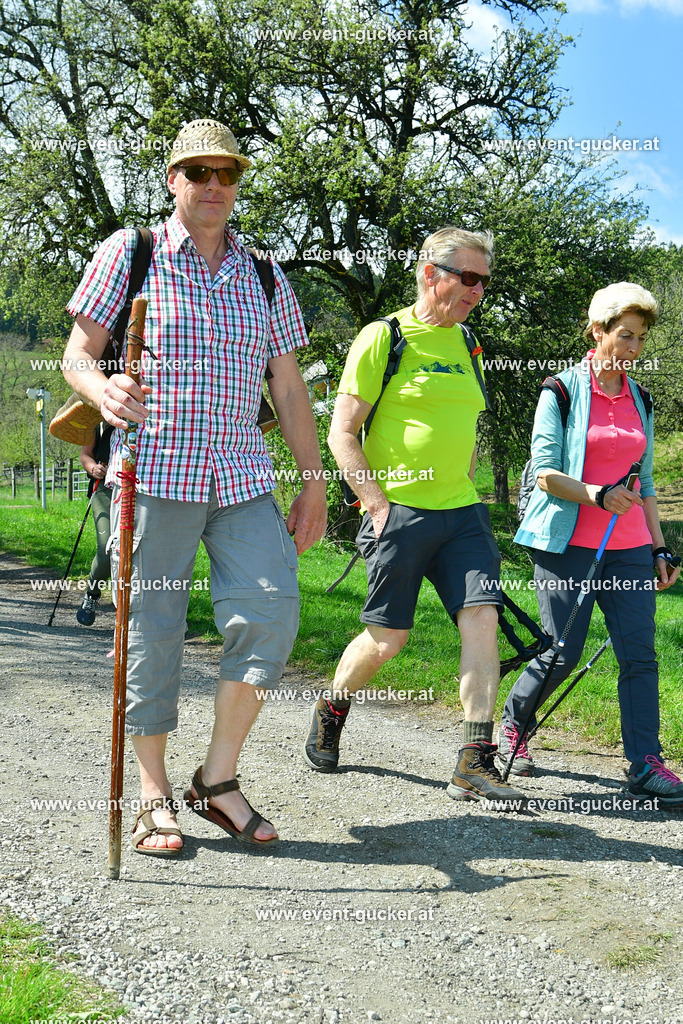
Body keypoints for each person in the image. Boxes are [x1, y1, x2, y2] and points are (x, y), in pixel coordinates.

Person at [62, 119, 327, 856]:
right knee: (152, 630)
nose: (214, 185)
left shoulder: (265, 273)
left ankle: (216, 781)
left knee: (270, 614)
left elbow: (290, 388)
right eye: (198, 172)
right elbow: (77, 354)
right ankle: (152, 794)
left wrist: (312, 486)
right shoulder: (131, 251)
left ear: (236, 186)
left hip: (241, 475)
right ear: (173, 181)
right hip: (152, 472)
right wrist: (101, 387)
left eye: (227, 174)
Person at [303, 226, 527, 807]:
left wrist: (468, 480)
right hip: (398, 511)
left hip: (463, 513)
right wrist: (375, 504)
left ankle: (474, 758)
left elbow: (467, 426)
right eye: (469, 278)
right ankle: (332, 705)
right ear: (431, 272)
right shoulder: (387, 337)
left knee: (481, 616)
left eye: (485, 281)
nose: (479, 291)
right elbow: (342, 431)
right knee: (388, 639)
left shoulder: (469, 343)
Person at [499, 282, 683, 808]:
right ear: (597, 332)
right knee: (561, 650)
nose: (633, 349)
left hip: (628, 546)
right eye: (625, 336)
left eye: (641, 339)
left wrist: (659, 549)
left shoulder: (639, 398)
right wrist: (598, 496)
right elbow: (545, 474)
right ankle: (514, 724)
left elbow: (644, 484)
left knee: (640, 655)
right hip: (568, 542)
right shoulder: (560, 391)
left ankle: (645, 762)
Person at [76, 423, 114, 626]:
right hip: (105, 489)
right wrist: (93, 468)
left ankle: (138, 606)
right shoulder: (96, 419)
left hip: (141, 489)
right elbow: (85, 454)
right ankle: (92, 594)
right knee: (107, 547)